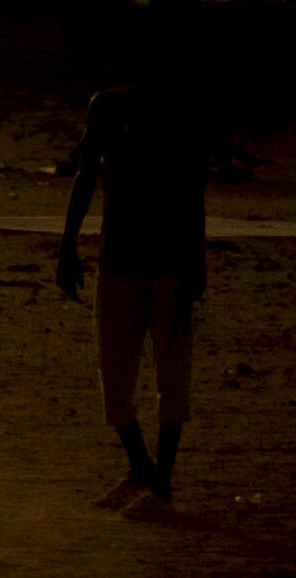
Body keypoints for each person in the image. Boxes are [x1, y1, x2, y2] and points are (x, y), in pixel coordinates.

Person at [57, 84, 208, 516]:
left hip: (172, 263)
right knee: (115, 378)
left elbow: (194, 190)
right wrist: (67, 244)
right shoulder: (106, 106)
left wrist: (197, 262)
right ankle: (142, 467)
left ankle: (162, 486)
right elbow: (86, 175)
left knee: (172, 373)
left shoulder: (186, 109)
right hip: (119, 261)